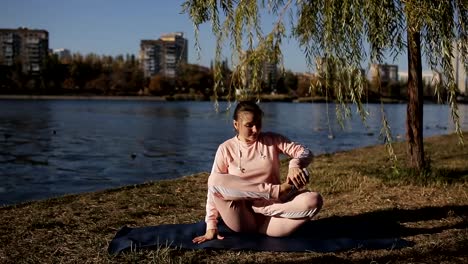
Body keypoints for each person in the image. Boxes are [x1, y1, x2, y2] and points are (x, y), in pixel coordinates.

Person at [192, 100, 323, 244]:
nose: (255, 130)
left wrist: (294, 164)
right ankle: (276, 191)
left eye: (258, 124)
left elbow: (305, 152)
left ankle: (269, 205)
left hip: (271, 220)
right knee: (215, 180)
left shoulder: (272, 140)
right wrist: (211, 225)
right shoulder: (226, 149)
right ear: (236, 124)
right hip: (241, 217)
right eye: (249, 125)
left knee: (314, 200)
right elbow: (214, 190)